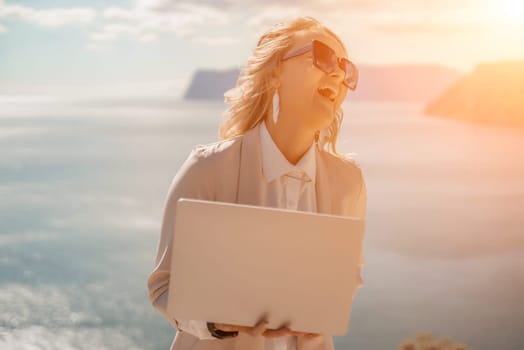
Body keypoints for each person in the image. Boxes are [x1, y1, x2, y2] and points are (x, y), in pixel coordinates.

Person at [147, 16, 367, 350]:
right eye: (322, 57)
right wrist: (215, 324)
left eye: (345, 68)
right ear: (275, 71)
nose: (336, 73)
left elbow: (348, 277)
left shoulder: (348, 183)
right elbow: (164, 287)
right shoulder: (207, 168)